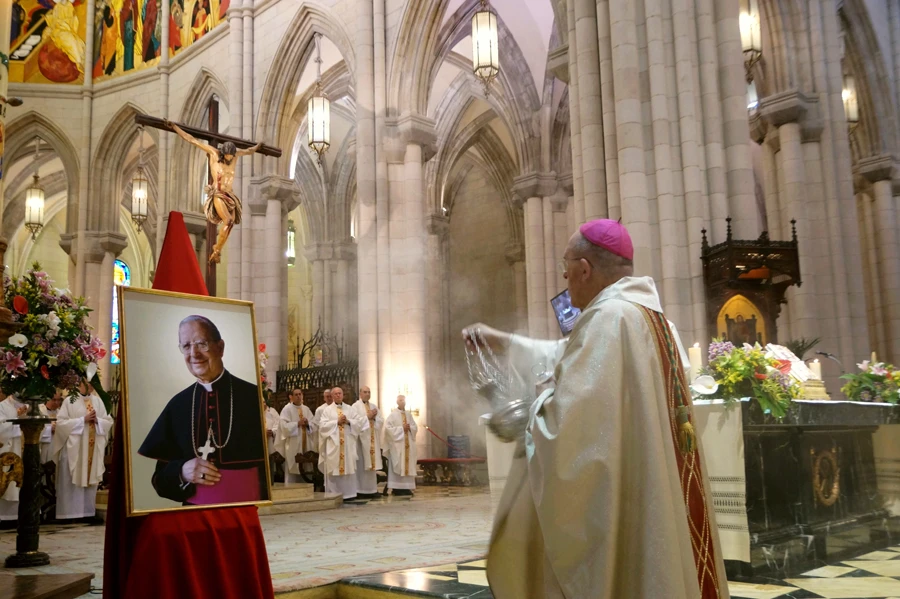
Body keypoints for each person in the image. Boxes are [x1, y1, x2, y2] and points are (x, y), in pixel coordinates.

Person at [462, 219, 728, 599]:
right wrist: (503, 341)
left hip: (627, 493)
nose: (566, 281)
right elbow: (566, 358)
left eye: (566, 270)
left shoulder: (608, 320)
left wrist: (530, 414)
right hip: (652, 484)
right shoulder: (654, 320)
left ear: (584, 269)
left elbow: (569, 426)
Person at [138, 315, 268, 505]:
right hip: (194, 515)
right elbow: (160, 481)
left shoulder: (252, 396)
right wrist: (182, 471)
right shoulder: (178, 404)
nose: (194, 354)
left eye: (202, 344)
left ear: (220, 347)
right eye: (186, 346)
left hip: (246, 512)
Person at [166, 120, 262, 263]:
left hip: (230, 195)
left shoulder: (235, 157)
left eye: (232, 157)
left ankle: (217, 247)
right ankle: (216, 251)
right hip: (218, 194)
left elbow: (249, 151)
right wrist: (175, 128)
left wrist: (258, 146)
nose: (230, 159)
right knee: (228, 221)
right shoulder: (214, 154)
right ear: (224, 153)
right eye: (228, 157)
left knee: (230, 224)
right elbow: (192, 140)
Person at [51, 380, 113, 521]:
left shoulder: (98, 401)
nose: (91, 386)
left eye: (93, 384)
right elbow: (61, 423)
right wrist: (82, 420)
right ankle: (70, 514)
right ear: (79, 383)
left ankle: (88, 513)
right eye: (88, 383)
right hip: (75, 449)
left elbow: (108, 421)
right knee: (72, 479)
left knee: (90, 478)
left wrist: (98, 421)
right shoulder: (69, 401)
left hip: (92, 448)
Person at [317, 387, 367, 499]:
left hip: (347, 445)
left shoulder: (350, 409)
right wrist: (336, 422)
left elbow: (359, 423)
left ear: (343, 395)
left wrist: (348, 421)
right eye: (335, 394)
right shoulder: (327, 410)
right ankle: (334, 494)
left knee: (348, 467)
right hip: (334, 445)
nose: (338, 395)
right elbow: (322, 426)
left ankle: (349, 494)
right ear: (332, 396)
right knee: (334, 467)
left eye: (340, 393)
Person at [276, 388, 316, 483]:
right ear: (292, 397)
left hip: (306, 443)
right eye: (296, 395)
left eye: (300, 394)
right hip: (293, 442)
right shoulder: (287, 409)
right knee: (293, 466)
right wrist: (297, 423)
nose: (298, 396)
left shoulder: (306, 409)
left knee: (306, 466)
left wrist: (308, 424)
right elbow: (283, 426)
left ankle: (306, 488)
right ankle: (291, 489)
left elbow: (314, 424)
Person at [382, 395, 417, 496]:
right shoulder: (392, 415)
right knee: (398, 465)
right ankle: (397, 488)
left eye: (404, 400)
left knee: (407, 465)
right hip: (397, 446)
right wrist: (402, 429)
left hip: (408, 445)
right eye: (400, 400)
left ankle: (407, 487)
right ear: (397, 402)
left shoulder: (409, 415)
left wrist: (410, 428)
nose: (402, 402)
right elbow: (388, 429)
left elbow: (415, 427)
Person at [0, 394, 27, 524]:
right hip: (11, 451)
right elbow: (1, 428)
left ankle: (26, 516)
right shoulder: (3, 406)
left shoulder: (32, 405)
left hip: (26, 450)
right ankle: (6, 517)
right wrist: (16, 418)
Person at [352, 385, 382, 497]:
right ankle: (360, 490)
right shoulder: (355, 407)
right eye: (365, 392)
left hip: (372, 439)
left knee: (372, 467)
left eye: (369, 392)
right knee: (362, 465)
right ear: (360, 394)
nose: (367, 394)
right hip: (361, 442)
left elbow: (381, 421)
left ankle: (372, 490)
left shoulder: (374, 406)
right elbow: (354, 423)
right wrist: (367, 417)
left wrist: (374, 418)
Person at [39, 392, 63, 465]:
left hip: (58, 448)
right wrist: (50, 429)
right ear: (47, 399)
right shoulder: (40, 411)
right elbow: (35, 430)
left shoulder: (61, 413)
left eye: (59, 400)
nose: (56, 402)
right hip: (45, 448)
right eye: (54, 400)